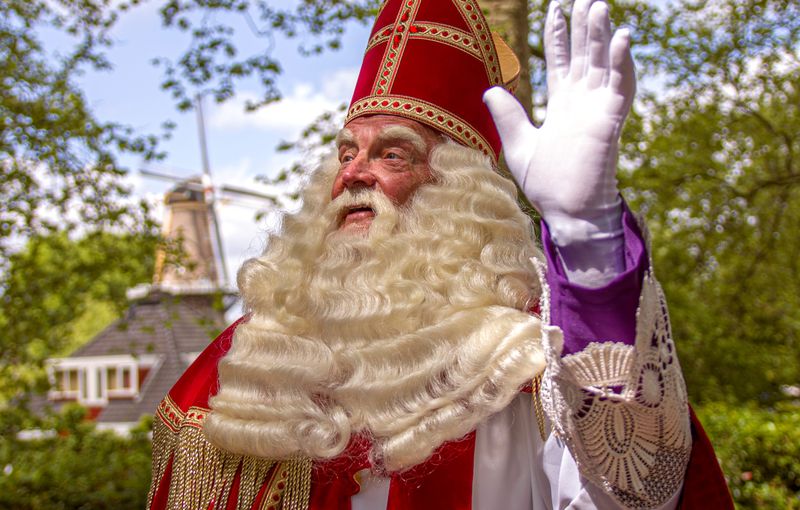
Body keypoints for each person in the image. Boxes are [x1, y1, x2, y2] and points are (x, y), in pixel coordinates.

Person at [146, 0, 733, 508]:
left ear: (456, 195)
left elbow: (642, 489)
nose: (353, 173)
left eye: (393, 155)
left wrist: (586, 235)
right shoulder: (246, 363)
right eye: (347, 152)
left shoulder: (524, 364)